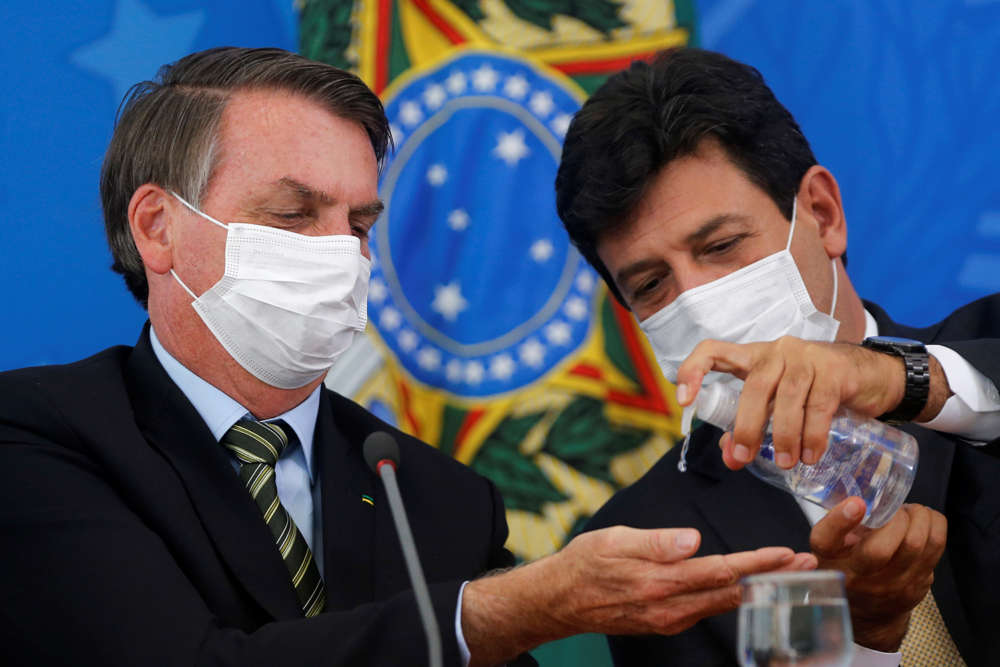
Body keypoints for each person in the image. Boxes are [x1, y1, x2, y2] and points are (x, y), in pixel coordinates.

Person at [0, 47, 815, 667]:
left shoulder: (436, 497)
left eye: (357, 223)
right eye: (294, 213)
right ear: (157, 228)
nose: (341, 256)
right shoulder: (38, 438)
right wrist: (499, 611)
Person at [556, 48, 1000, 666]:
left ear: (822, 214)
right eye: (652, 284)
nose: (701, 308)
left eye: (721, 245)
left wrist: (903, 379)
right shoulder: (652, 544)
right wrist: (865, 635)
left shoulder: (986, 348)